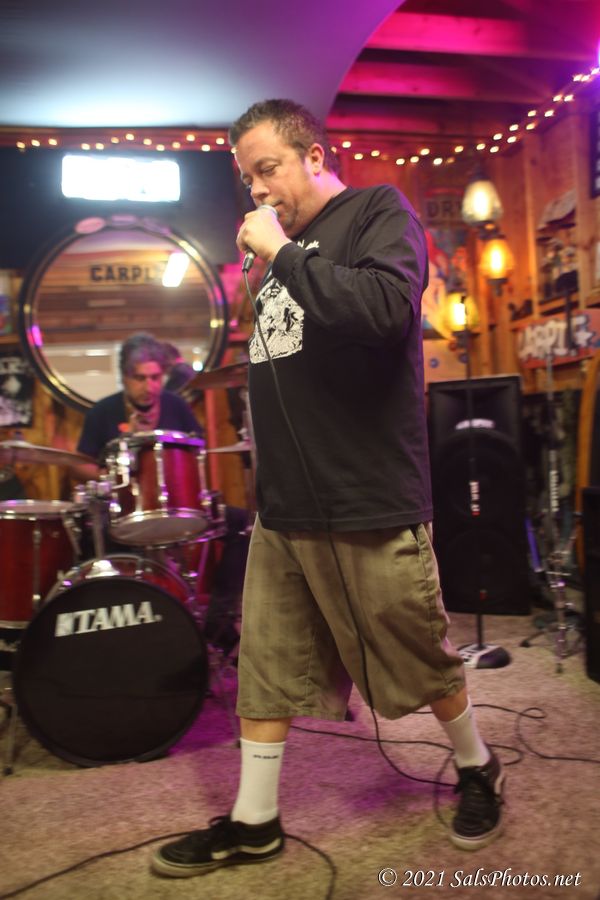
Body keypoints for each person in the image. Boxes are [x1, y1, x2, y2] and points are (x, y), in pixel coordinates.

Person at [152, 100, 505, 878]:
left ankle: (477, 763)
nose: (257, 189)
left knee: (417, 652)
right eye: (247, 178)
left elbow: (382, 311)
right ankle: (255, 820)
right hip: (286, 502)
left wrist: (281, 253)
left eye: (268, 168)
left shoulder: (378, 212)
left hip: (367, 491)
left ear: (314, 155)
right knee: (269, 662)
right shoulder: (274, 251)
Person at [75, 332, 247, 656]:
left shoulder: (176, 406)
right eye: (140, 378)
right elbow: (81, 464)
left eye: (155, 377)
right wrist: (111, 476)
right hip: (125, 511)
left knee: (241, 523)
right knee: (93, 533)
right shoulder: (104, 411)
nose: (149, 386)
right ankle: (124, 631)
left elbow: (196, 451)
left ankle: (219, 623)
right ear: (125, 377)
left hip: (179, 506)